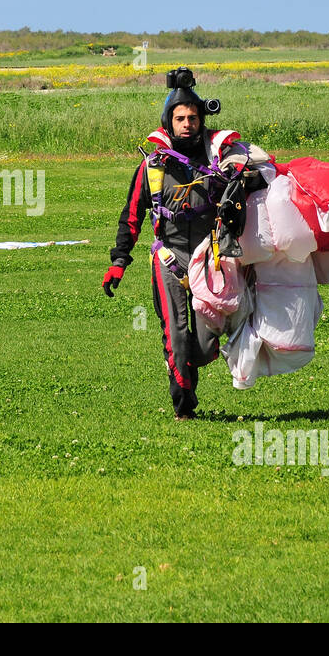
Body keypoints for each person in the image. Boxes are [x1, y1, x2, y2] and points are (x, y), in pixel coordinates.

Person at [103, 78, 222, 419]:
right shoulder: (153, 164)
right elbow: (131, 216)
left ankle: (189, 370)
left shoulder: (219, 161)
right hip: (169, 257)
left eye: (193, 118)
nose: (187, 125)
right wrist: (120, 260)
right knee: (177, 336)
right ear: (169, 121)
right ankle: (183, 407)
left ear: (201, 120)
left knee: (201, 345)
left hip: (209, 256)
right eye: (180, 119)